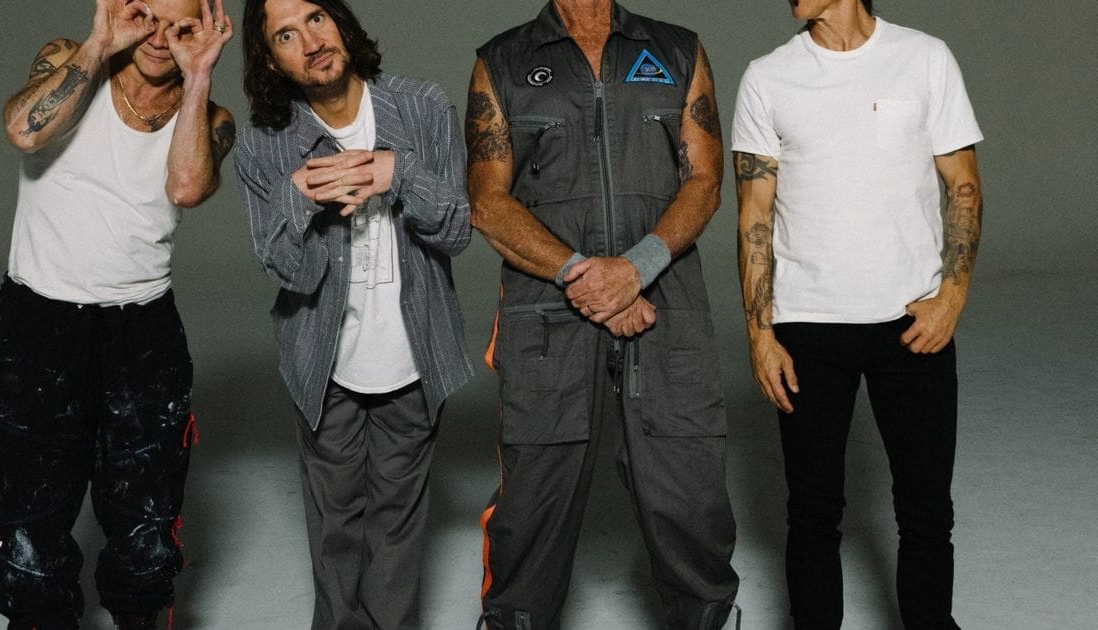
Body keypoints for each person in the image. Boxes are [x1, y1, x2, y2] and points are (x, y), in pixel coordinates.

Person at [467, 1, 739, 627]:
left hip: (665, 300)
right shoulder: (502, 60)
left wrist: (635, 269)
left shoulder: (677, 50)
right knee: (532, 503)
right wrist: (586, 278)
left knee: (689, 492)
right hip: (546, 310)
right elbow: (487, 202)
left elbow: (705, 181)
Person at [0, 0, 235, 628]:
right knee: (28, 505)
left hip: (142, 331)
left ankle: (138, 615)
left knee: (145, 511)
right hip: (37, 322)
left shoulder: (211, 116)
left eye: (181, 26)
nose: (160, 37)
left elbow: (186, 188)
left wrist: (199, 75)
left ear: (205, 30)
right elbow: (24, 131)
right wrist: (98, 45)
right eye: (147, 15)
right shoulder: (66, 58)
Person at [731, 1, 983, 628]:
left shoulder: (925, 58)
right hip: (806, 329)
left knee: (926, 510)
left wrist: (951, 298)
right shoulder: (768, 76)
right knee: (812, 514)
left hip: (913, 324)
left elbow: (963, 185)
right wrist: (760, 334)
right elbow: (754, 214)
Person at [234, 0, 474, 627]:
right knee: (335, 526)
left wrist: (401, 172)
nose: (311, 41)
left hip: (414, 352)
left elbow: (456, 231)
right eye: (286, 35)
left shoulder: (422, 107)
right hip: (324, 359)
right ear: (270, 60)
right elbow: (287, 270)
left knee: (397, 525)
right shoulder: (263, 143)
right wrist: (299, 197)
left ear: (340, 21)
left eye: (316, 18)